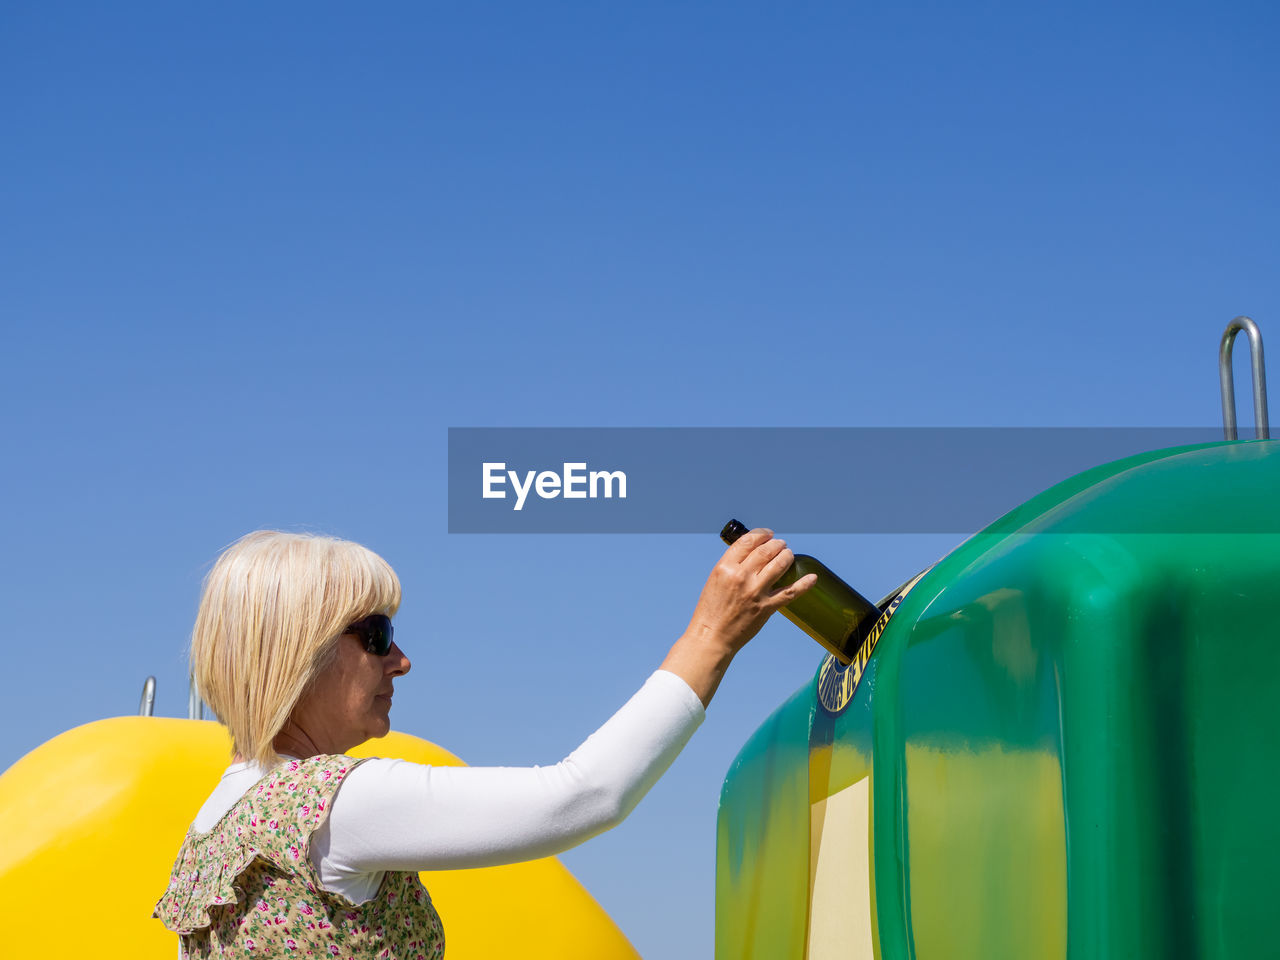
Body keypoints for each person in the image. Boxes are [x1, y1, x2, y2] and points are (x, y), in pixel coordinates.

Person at [153, 528, 815, 958]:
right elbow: (584, 795)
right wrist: (711, 637)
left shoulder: (217, 823)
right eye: (378, 635)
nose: (402, 660)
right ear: (304, 653)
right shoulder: (331, 804)